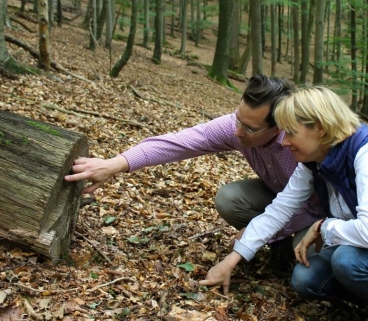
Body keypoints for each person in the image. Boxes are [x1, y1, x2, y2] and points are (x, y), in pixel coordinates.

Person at [200, 86, 368, 321]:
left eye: (290, 132)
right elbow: (279, 210)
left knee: (348, 262)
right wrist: (230, 261)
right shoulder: (313, 161)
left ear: (320, 128)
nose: (284, 141)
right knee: (305, 279)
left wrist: (323, 227)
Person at [64, 74, 323, 276]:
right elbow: (180, 143)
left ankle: (287, 250)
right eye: (237, 120)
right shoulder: (239, 127)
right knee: (229, 198)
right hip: (278, 197)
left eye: (249, 128)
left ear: (277, 127)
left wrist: (260, 230)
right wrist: (116, 163)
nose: (237, 132)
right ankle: (278, 246)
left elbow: (315, 206)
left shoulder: (301, 144)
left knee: (308, 264)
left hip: (318, 215)